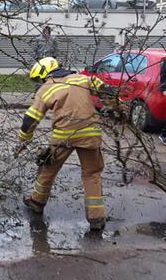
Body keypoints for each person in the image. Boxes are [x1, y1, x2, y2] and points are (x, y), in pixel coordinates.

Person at [17, 56, 113, 231]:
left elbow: (30, 119)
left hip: (64, 136)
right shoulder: (82, 78)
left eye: (40, 78)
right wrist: (118, 109)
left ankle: (36, 203)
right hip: (90, 133)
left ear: (44, 73)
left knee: (48, 169)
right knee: (92, 174)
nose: (41, 82)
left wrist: (23, 139)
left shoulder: (46, 88)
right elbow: (107, 91)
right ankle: (96, 219)